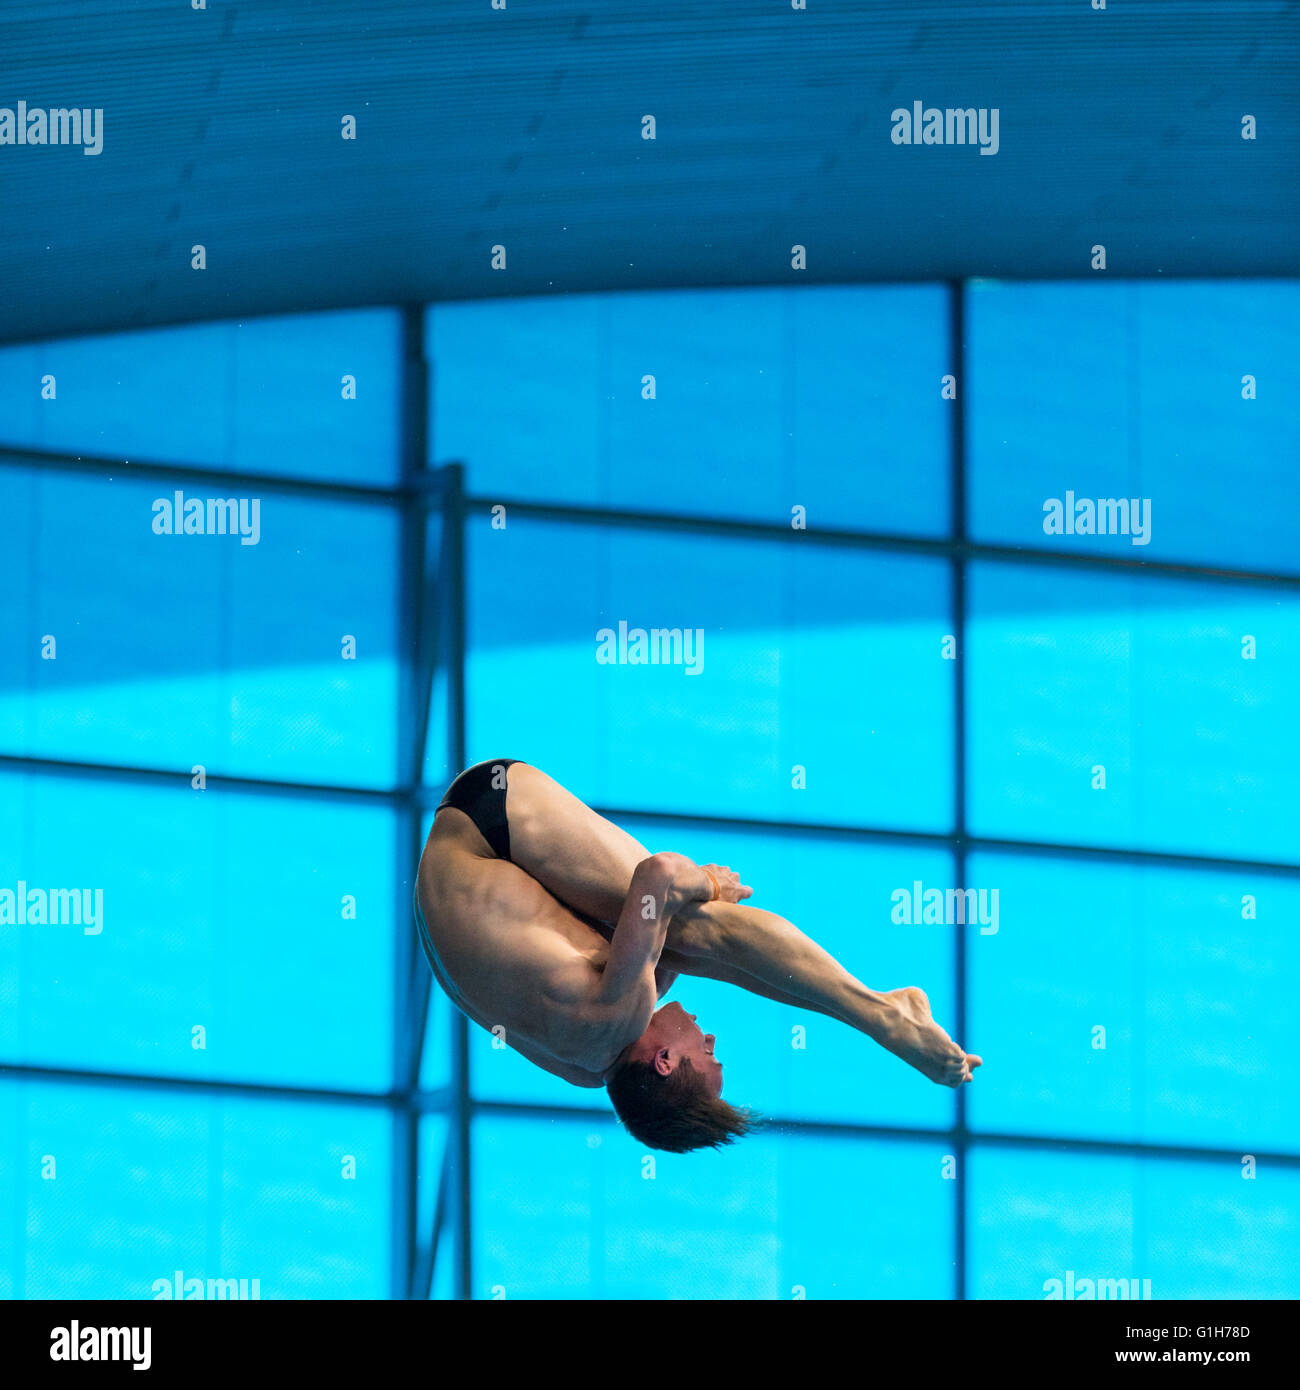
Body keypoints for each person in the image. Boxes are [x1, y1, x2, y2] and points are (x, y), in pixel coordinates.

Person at [415, 759, 982, 1154]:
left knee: (694, 926)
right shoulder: (589, 1071)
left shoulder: (614, 1019)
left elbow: (657, 875)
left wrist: (707, 881)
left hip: (493, 814)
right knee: (675, 940)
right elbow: (644, 962)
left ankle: (883, 1017)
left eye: (706, 1056)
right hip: (455, 871)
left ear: (663, 1063)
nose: (710, 1040)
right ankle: (878, 1012)